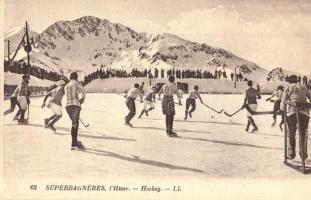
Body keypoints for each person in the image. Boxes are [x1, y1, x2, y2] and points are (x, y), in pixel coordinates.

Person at [280, 75, 311, 160]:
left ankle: (291, 154)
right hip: (304, 113)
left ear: (289, 81)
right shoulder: (303, 87)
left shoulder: (289, 87)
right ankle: (303, 153)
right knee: (303, 133)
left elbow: (283, 101)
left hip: (293, 113)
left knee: (291, 133)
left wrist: (281, 110)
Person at [64, 72, 86, 150]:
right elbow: (83, 90)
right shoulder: (76, 83)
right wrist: (82, 99)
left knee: (74, 124)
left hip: (68, 106)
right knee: (75, 124)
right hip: (76, 105)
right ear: (76, 77)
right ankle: (74, 143)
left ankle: (74, 142)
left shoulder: (66, 85)